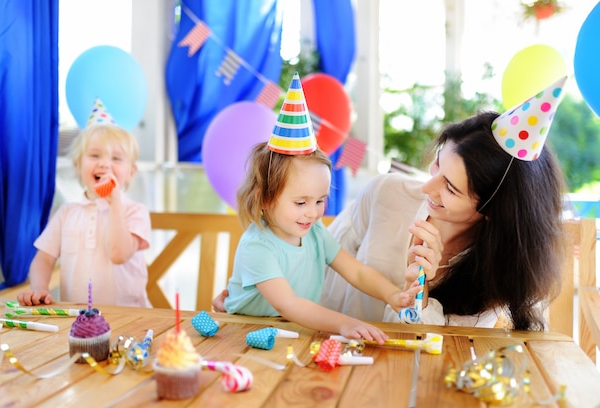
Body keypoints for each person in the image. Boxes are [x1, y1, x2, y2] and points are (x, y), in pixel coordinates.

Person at [321, 76, 568, 331]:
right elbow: (319, 258)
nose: (426, 187)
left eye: (450, 187)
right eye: (438, 163)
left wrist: (417, 289)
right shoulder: (385, 192)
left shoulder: (502, 270)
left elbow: (443, 350)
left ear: (492, 211)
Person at [221, 73, 421, 344]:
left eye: (320, 200)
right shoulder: (258, 246)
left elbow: (357, 271)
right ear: (266, 199)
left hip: (294, 333)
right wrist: (344, 323)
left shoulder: (314, 234)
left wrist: (392, 295)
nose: (313, 212)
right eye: (301, 202)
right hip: (244, 334)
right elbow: (287, 304)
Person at [18, 101, 152, 308]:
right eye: (94, 155)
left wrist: (114, 202)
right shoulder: (67, 213)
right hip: (79, 321)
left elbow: (119, 255)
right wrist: (39, 287)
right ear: (78, 166)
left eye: (116, 158)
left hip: (129, 319)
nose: (105, 164)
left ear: (131, 173)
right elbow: (44, 258)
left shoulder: (135, 212)